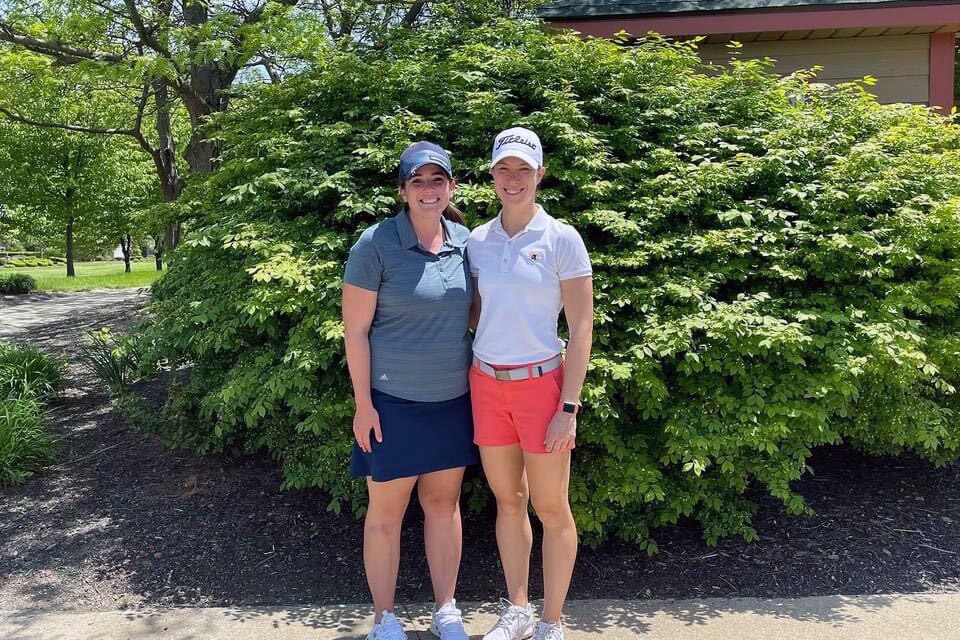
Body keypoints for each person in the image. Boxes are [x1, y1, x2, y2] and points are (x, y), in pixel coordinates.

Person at [342, 141, 479, 640]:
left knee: (444, 509)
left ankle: (446, 610)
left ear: (451, 187)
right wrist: (363, 405)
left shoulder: (468, 242)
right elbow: (355, 331)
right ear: (402, 190)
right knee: (385, 515)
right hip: (391, 405)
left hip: (452, 402)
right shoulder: (375, 244)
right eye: (417, 181)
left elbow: (478, 316)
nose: (428, 190)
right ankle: (384, 618)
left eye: (437, 180)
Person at [467, 127, 594, 640]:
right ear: (492, 175)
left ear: (540, 174)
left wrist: (570, 406)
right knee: (508, 500)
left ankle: (551, 621)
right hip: (485, 384)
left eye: (523, 169)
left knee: (551, 507)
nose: (512, 179)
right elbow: (475, 313)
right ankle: (518, 609)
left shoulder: (562, 238)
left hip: (543, 389)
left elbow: (582, 327)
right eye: (503, 169)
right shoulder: (477, 239)